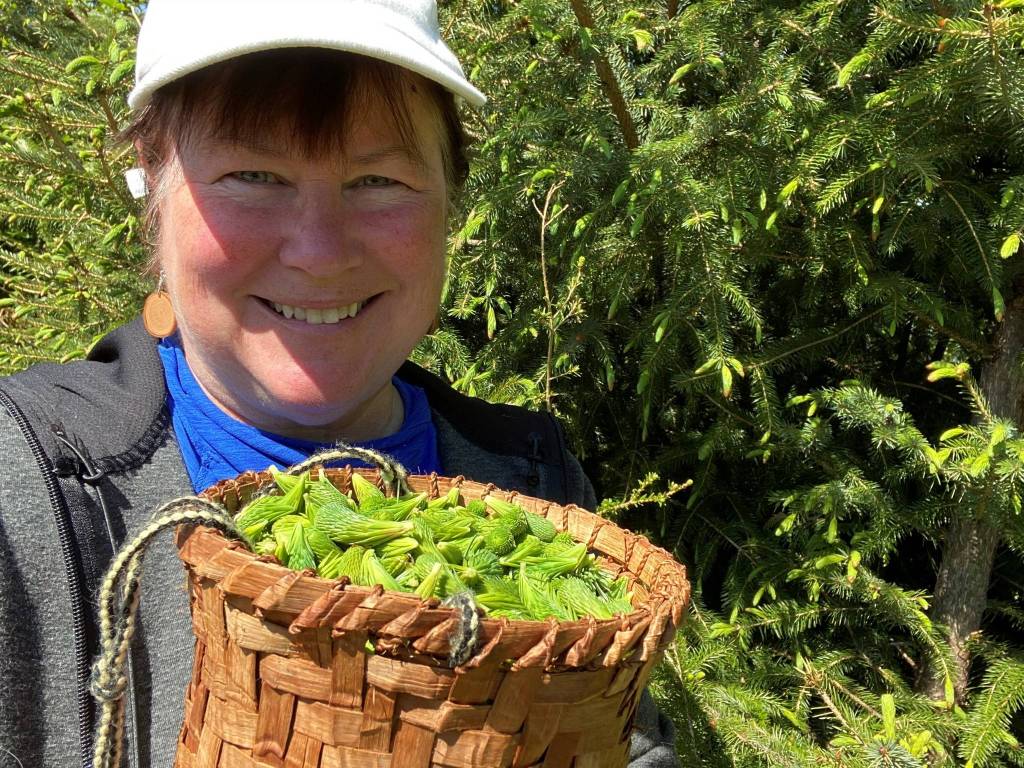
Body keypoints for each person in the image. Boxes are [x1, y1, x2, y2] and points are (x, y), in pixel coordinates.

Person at [0, 1, 678, 766]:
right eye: (252, 175)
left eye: (378, 179)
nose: (320, 253)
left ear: (450, 198)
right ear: (152, 185)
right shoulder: (25, 488)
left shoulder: (538, 488)